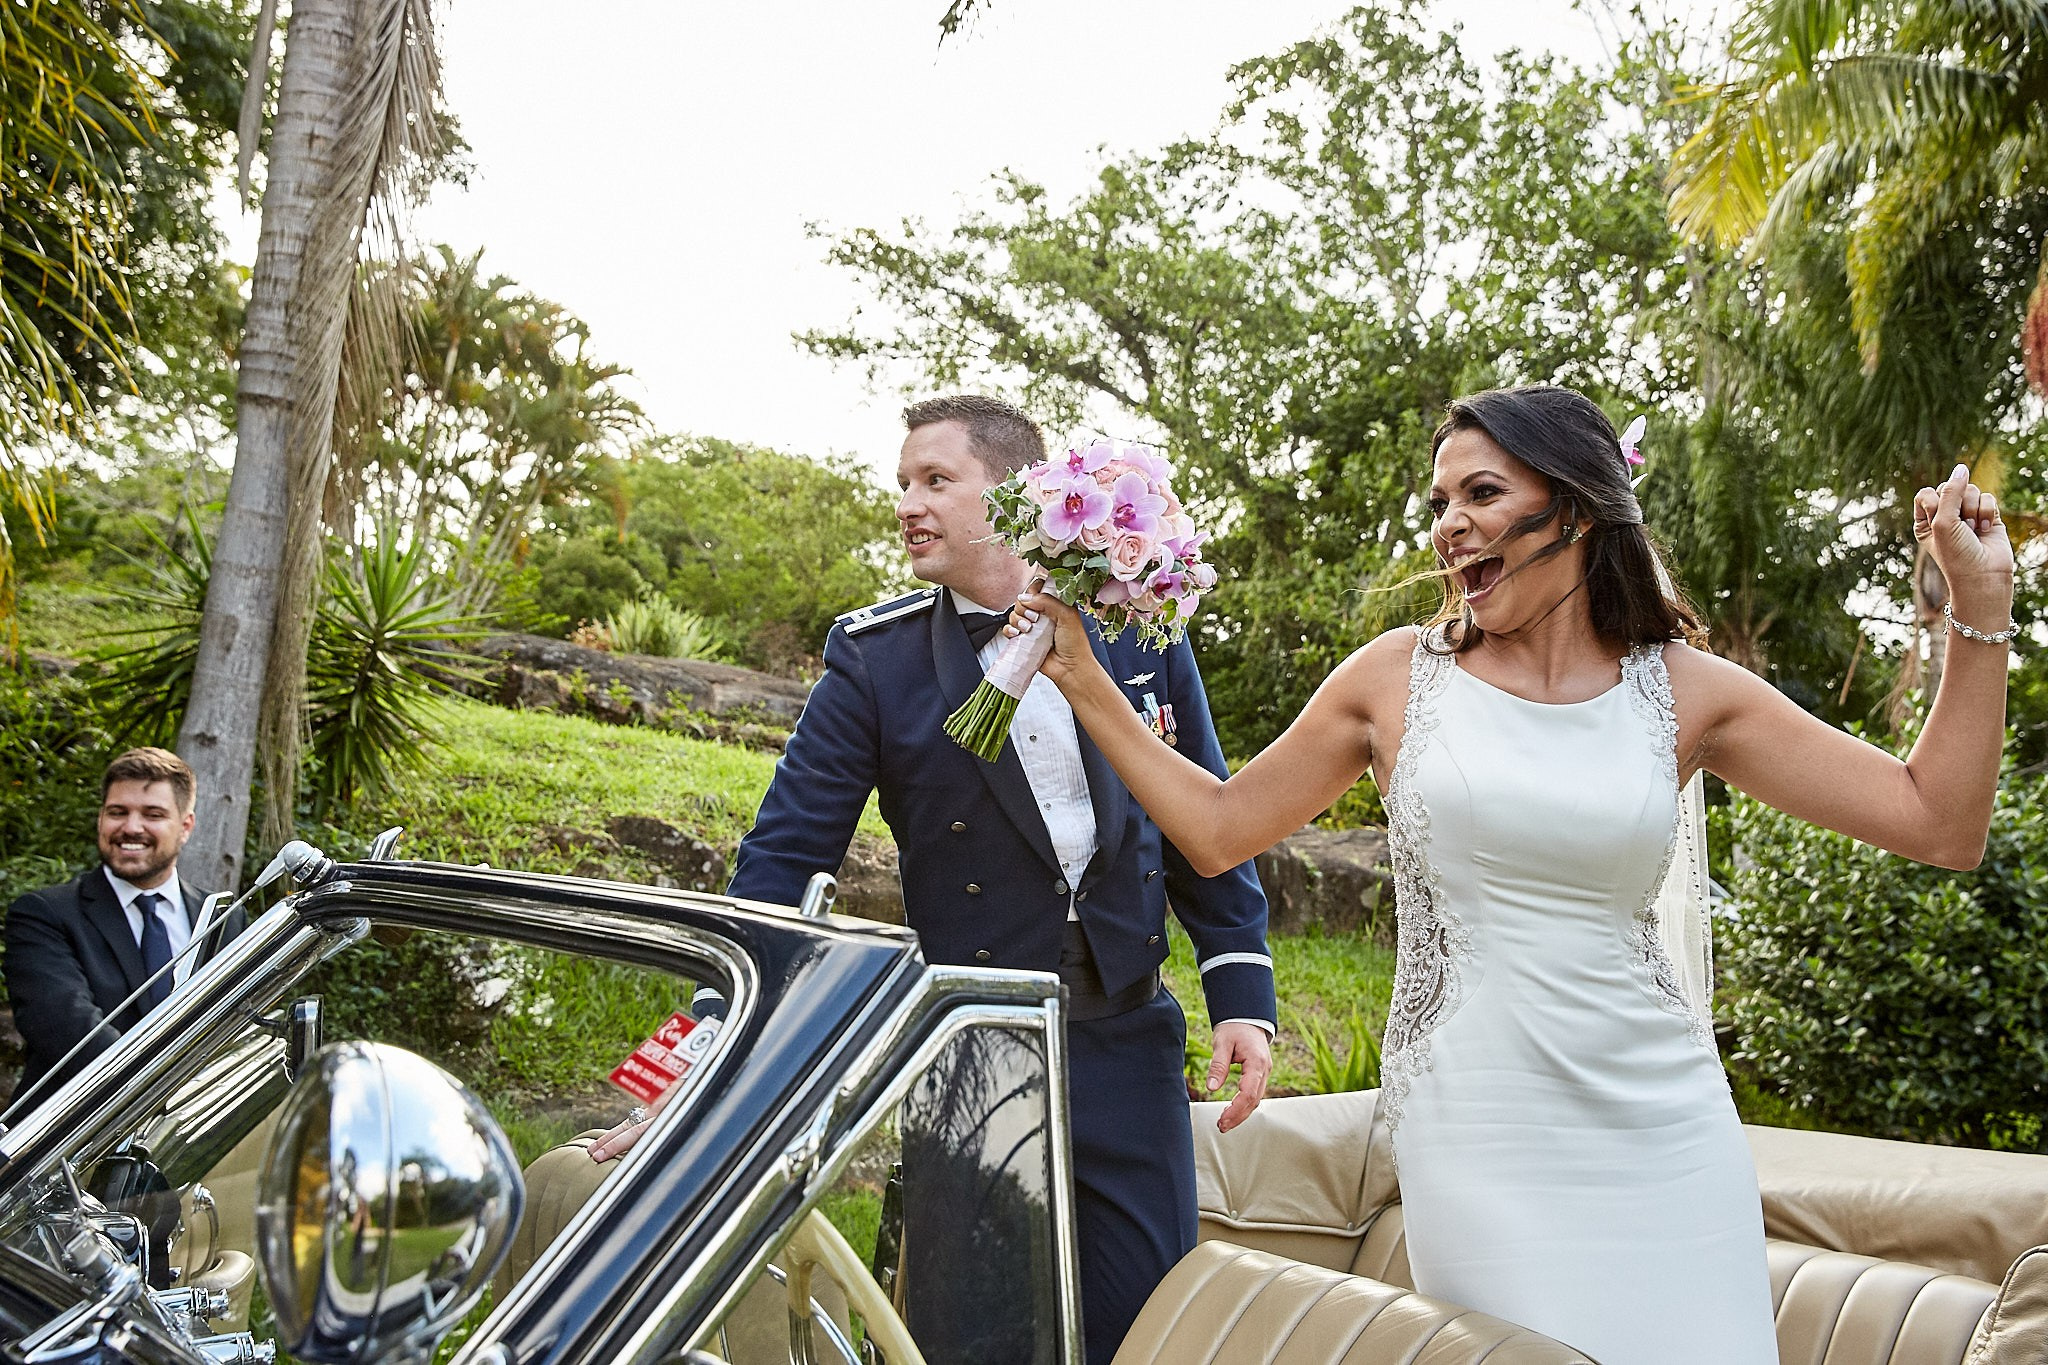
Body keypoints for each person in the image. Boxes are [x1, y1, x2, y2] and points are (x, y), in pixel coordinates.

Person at [1013, 384, 2014, 1365]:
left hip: (1665, 1127)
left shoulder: (1684, 692)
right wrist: (1085, 682)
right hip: (1479, 1127)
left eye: (1480, 494)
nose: (1449, 526)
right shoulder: (1390, 679)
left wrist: (1981, 607)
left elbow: (1937, 823)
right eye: (1439, 503)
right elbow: (1219, 831)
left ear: (1572, 510)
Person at [712, 394, 1278, 1365]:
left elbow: (1201, 815)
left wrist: (1238, 987)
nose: (908, 504)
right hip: (971, 1042)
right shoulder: (873, 661)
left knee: (1143, 1328)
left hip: (1126, 1034)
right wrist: (712, 1027)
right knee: (968, 1330)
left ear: (1016, 495)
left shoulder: (1141, 631)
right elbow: (781, 856)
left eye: (935, 480)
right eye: (902, 484)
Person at [4, 747, 247, 1107]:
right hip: (66, 1143)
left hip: (189, 1141)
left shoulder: (222, 918)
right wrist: (168, 1095)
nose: (131, 828)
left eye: (152, 814)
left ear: (185, 826)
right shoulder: (43, 914)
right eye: (118, 812)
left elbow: (235, 1028)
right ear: (101, 819)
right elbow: (68, 1031)